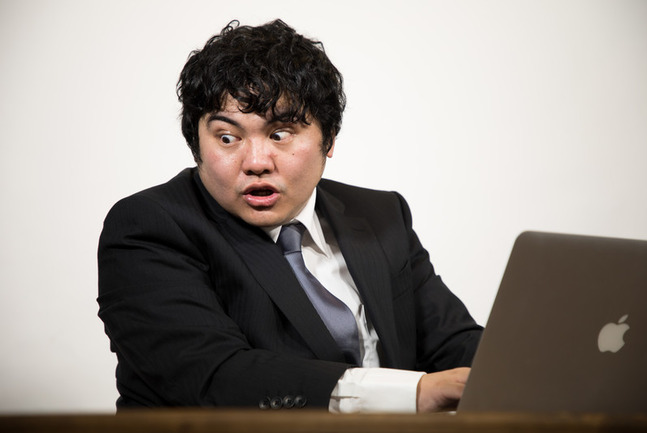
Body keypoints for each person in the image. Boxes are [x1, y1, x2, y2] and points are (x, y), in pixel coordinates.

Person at [97, 19, 483, 413]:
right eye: (227, 137)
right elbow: (212, 376)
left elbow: (454, 344)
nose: (256, 162)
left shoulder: (381, 215)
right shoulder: (148, 227)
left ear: (329, 139)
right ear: (196, 143)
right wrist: (415, 392)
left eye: (280, 134)